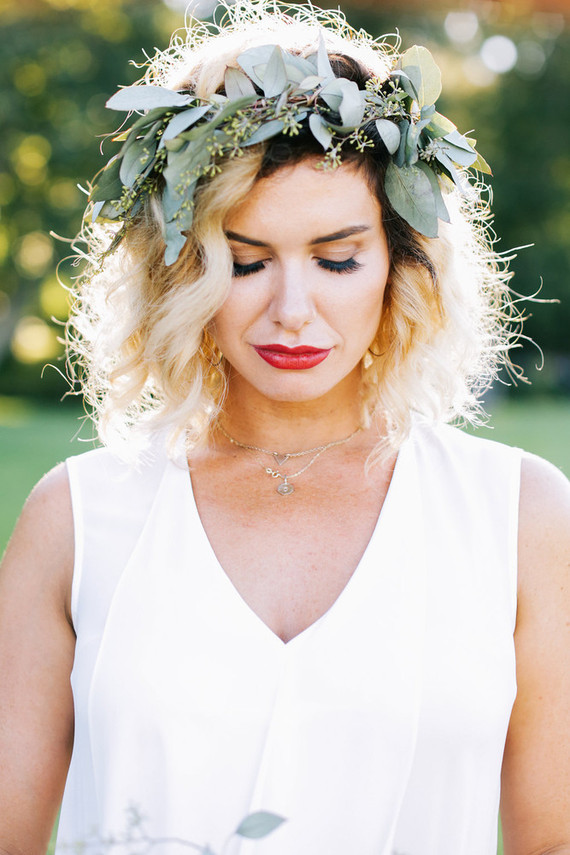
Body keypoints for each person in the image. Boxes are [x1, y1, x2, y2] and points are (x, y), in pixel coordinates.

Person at [0, 2, 569, 854]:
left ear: (400, 262)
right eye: (246, 260)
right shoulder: (78, 518)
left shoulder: (518, 516)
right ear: (182, 268)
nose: (292, 312)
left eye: (337, 259)